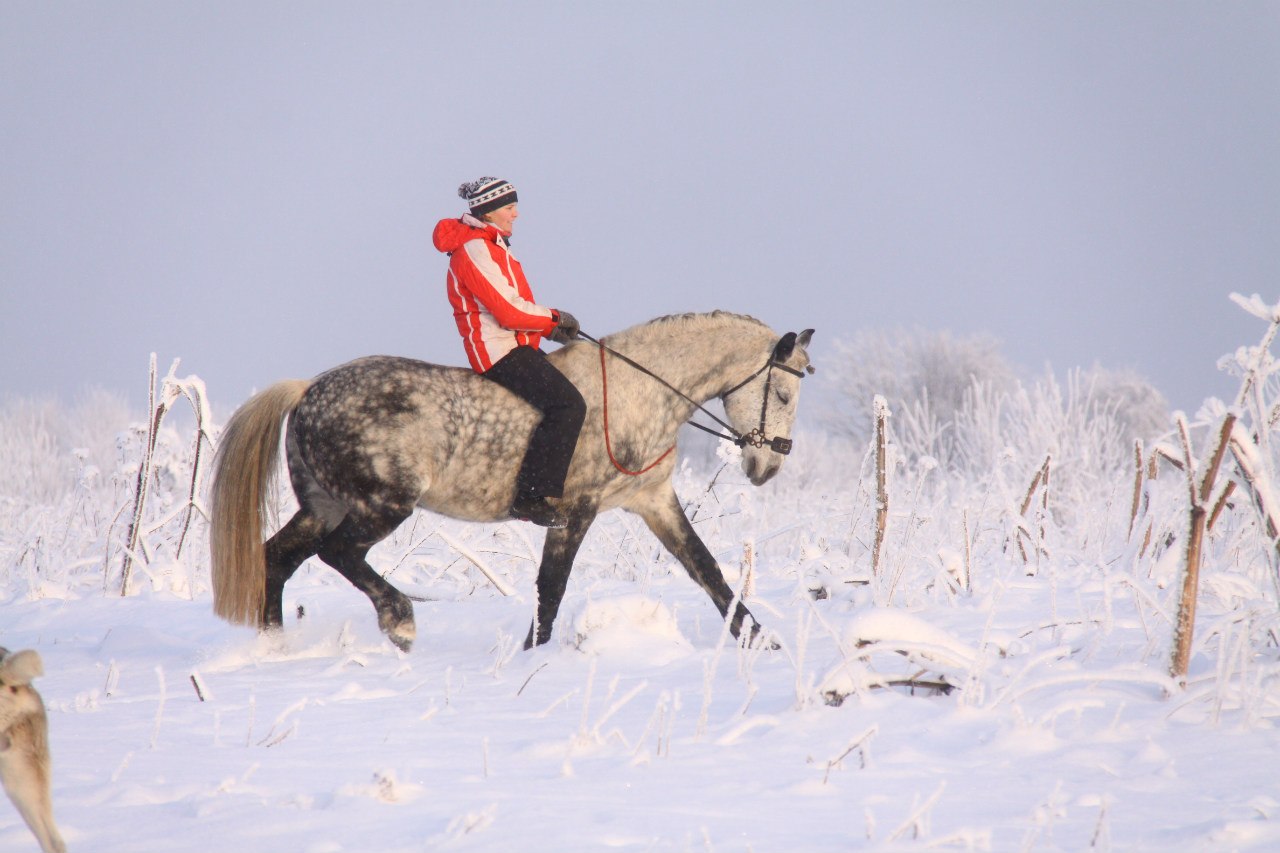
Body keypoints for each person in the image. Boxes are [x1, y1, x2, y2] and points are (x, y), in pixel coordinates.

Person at [432, 177, 586, 529]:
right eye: (509, 207)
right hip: (497, 351)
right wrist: (552, 318)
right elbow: (507, 312)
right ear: (488, 212)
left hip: (518, 346)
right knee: (567, 404)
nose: (516, 214)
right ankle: (529, 497)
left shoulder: (495, 245)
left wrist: (550, 328)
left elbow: (516, 306)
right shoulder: (475, 249)